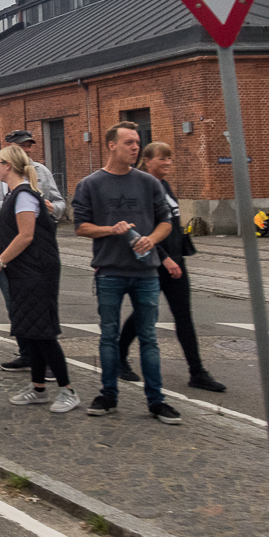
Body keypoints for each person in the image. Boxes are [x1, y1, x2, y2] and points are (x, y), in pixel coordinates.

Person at [73, 121, 181, 424]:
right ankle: (108, 394)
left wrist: (153, 239)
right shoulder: (91, 184)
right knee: (108, 336)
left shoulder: (149, 183)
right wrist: (110, 229)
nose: (135, 147)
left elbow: (166, 222)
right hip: (109, 271)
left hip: (146, 271)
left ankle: (156, 400)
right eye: (129, 143)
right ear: (112, 145)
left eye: (137, 142)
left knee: (149, 337)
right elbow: (80, 227)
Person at [116, 142, 226, 392]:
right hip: (156, 263)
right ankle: (119, 358)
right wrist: (163, 256)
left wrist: (177, 254)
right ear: (148, 161)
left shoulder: (164, 185)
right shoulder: (142, 186)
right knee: (143, 312)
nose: (168, 163)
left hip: (177, 260)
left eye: (170, 159)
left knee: (183, 317)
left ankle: (197, 372)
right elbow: (142, 226)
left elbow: (171, 223)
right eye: (162, 159)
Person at [0, 145, 78, 413]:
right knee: (28, 329)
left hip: (37, 271)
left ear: (8, 165)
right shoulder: (14, 195)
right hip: (25, 270)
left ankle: (68, 390)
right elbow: (14, 237)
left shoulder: (23, 195)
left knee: (43, 332)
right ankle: (38, 388)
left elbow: (26, 236)